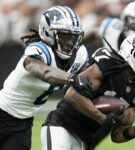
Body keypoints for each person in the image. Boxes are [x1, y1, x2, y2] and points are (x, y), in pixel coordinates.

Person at [0, 6, 89, 150]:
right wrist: (73, 78)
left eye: (73, 37)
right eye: (65, 36)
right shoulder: (38, 50)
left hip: (23, 123)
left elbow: (88, 83)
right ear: (48, 33)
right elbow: (46, 73)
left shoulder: (79, 55)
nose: (70, 43)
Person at [41, 32, 135, 150]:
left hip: (85, 139)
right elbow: (71, 95)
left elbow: (117, 134)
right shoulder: (109, 64)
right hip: (62, 126)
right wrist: (103, 119)